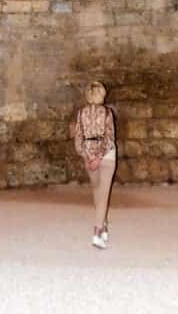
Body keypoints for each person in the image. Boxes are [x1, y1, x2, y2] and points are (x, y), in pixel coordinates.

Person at [73, 80, 117, 249]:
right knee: (103, 193)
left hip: (89, 154)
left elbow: (78, 138)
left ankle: (103, 226)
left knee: (98, 192)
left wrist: (86, 156)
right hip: (107, 156)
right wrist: (99, 157)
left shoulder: (81, 113)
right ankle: (98, 232)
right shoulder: (107, 113)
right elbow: (109, 138)